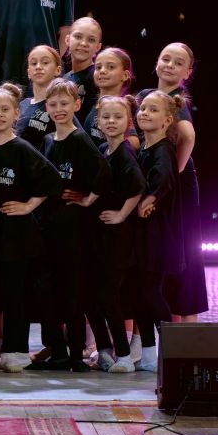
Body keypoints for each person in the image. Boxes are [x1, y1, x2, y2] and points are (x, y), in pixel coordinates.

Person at [0, 83, 60, 372]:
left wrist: (28, 206)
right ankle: (7, 350)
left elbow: (52, 179)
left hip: (19, 235)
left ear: (16, 114)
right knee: (3, 293)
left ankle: (19, 351)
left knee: (17, 295)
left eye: (5, 109)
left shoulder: (22, 148)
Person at [31, 79, 110, 373]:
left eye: (64, 103)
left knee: (72, 290)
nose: (59, 109)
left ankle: (76, 353)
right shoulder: (48, 140)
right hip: (48, 226)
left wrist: (88, 199)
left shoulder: (80, 140)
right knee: (47, 290)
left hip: (73, 229)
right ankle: (57, 351)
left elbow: (104, 173)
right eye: (53, 105)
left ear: (76, 105)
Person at [133, 91, 187, 372]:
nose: (144, 113)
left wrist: (149, 199)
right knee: (140, 293)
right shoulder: (144, 148)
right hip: (143, 235)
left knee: (150, 291)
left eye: (153, 110)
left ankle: (172, 352)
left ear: (166, 121)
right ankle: (149, 355)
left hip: (157, 236)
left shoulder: (164, 150)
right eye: (143, 108)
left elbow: (164, 179)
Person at [90, 95, 145, 374]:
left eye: (118, 117)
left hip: (119, 238)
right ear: (98, 122)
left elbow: (138, 187)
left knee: (109, 296)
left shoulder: (125, 152)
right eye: (106, 117)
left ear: (128, 122)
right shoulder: (104, 149)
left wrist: (122, 214)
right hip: (102, 236)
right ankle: (106, 350)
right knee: (96, 295)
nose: (111, 122)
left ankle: (124, 355)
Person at [84, 47, 135, 148]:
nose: (102, 71)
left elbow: (134, 143)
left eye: (111, 67)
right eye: (98, 67)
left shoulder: (121, 107)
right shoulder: (94, 104)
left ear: (125, 75)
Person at [16, 45, 63, 149]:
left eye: (45, 62)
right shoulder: (22, 104)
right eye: (33, 63)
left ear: (58, 70)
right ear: (28, 72)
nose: (38, 67)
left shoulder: (59, 106)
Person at [62, 17, 103, 123]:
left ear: (98, 47)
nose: (84, 43)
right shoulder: (64, 79)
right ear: (67, 40)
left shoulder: (100, 77)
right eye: (78, 37)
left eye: (91, 40)